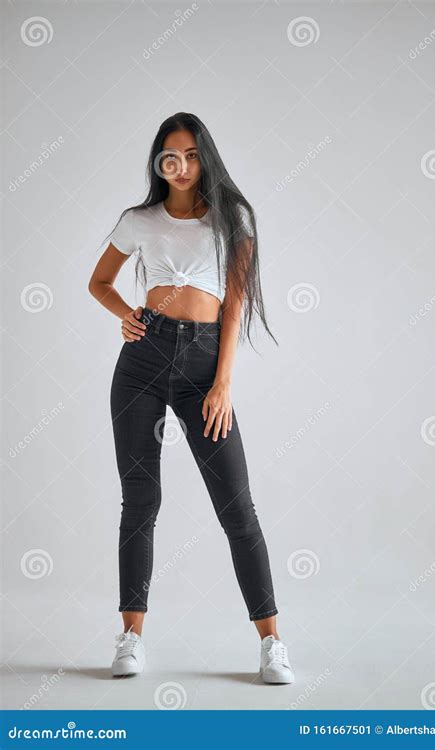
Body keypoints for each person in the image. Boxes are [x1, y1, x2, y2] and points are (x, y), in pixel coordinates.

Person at [88, 112, 294, 684]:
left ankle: (272, 642)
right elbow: (98, 282)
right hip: (142, 365)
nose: (181, 166)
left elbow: (235, 304)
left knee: (237, 507)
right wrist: (127, 315)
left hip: (205, 364)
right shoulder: (139, 220)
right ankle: (131, 635)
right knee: (140, 501)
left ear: (206, 157)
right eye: (169, 156)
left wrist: (223, 382)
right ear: (159, 162)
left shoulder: (234, 218)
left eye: (192, 155)